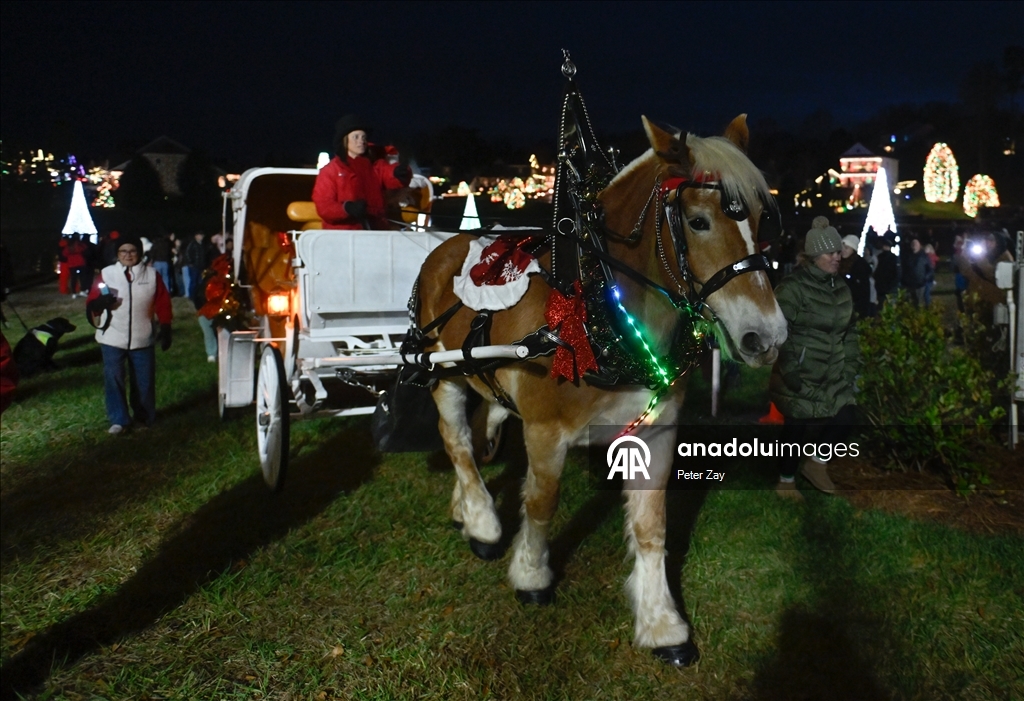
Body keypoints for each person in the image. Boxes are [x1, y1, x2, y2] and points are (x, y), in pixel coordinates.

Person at [769, 216, 860, 501]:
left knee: (847, 416)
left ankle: (816, 463)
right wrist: (791, 371)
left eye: (838, 251)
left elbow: (851, 330)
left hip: (834, 372)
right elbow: (780, 332)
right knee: (796, 427)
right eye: (831, 252)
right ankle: (785, 481)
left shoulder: (841, 289)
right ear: (815, 256)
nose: (837, 256)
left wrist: (851, 366)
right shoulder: (792, 288)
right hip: (801, 372)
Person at [85, 233, 173, 434]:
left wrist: (166, 327)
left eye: (132, 251)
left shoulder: (151, 275)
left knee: (144, 381)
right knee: (114, 378)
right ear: (117, 254)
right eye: (123, 251)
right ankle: (119, 420)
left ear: (139, 253)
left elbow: (163, 302)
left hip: (142, 337)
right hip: (112, 337)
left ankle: (143, 417)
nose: (128, 254)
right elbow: (91, 303)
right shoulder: (107, 274)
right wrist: (98, 304)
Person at [312, 115, 412, 230]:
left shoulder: (375, 164)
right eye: (356, 137)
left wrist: (399, 173)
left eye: (364, 137)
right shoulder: (330, 171)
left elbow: (388, 174)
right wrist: (347, 208)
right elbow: (324, 205)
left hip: (376, 229)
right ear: (345, 140)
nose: (361, 141)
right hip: (343, 233)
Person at [839, 234, 874, 318]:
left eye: (847, 248)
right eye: (842, 247)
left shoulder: (859, 266)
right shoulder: (839, 262)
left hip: (854, 308)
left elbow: (862, 291)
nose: (843, 250)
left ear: (853, 249)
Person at [902, 238, 933, 307]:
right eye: (913, 244)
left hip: (920, 284)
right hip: (909, 284)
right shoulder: (907, 256)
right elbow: (903, 268)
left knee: (919, 303)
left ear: (919, 245)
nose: (914, 245)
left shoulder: (924, 256)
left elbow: (930, 269)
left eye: (916, 244)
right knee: (909, 303)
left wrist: (925, 278)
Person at [873, 235, 899, 306]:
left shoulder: (881, 257)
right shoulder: (893, 258)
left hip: (883, 286)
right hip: (887, 286)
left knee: (883, 306)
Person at [183, 230, 207, 298]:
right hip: (194, 266)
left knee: (199, 282)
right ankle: (192, 296)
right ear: (196, 236)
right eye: (200, 235)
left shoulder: (202, 245)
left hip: (200, 266)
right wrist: (191, 263)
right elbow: (187, 253)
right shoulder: (193, 244)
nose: (202, 237)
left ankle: (197, 295)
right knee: (193, 282)